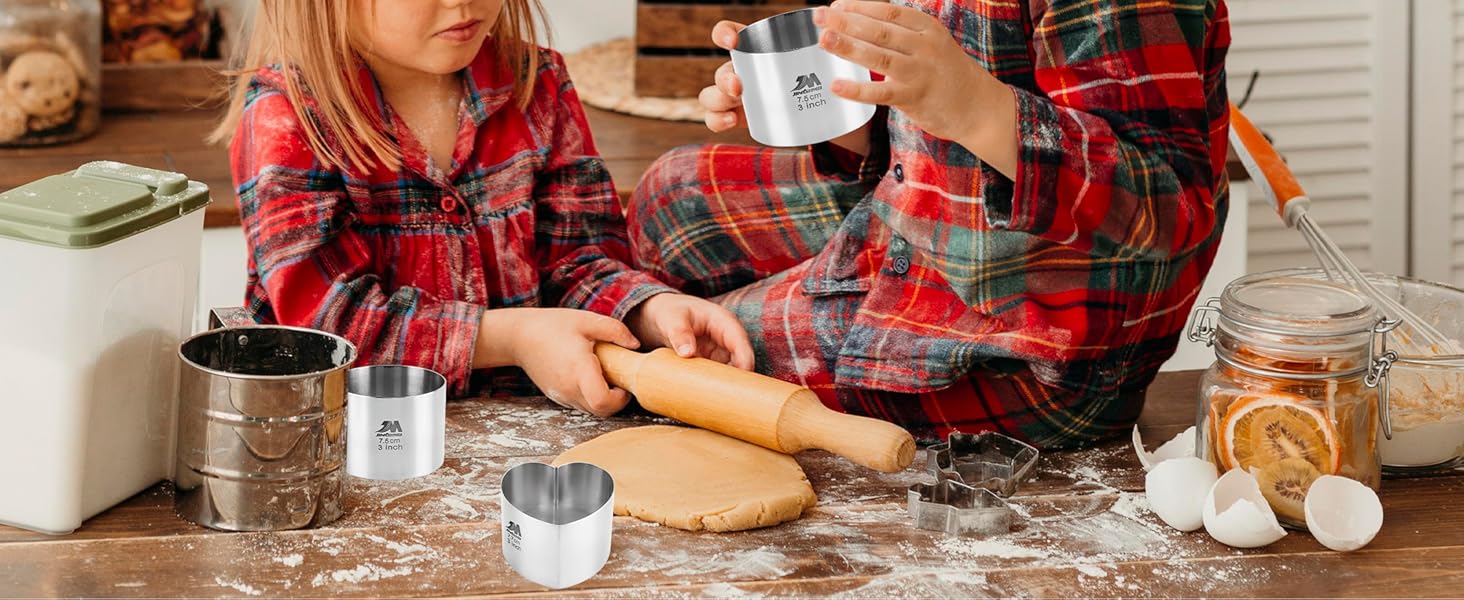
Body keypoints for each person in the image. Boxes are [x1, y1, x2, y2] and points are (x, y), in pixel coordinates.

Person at [628, 0, 1232, 447]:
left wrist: (974, 105)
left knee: (700, 353)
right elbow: (919, 123)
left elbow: (1170, 211)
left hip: (1038, 343)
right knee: (668, 200)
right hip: (939, 213)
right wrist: (827, 105)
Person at [209, 0, 754, 415]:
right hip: (355, 441)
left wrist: (647, 311)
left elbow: (578, 260)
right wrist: (514, 339)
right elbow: (334, 333)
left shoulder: (538, 82)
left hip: (532, 433)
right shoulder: (286, 118)